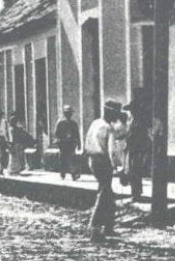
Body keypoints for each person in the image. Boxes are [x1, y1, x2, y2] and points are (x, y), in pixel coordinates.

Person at [84, 100, 122, 243]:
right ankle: (94, 226)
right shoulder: (109, 128)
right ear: (111, 113)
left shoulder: (95, 123)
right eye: (116, 114)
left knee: (108, 192)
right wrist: (118, 167)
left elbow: (86, 140)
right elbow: (112, 151)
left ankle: (108, 226)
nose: (117, 117)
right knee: (104, 192)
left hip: (92, 160)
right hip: (103, 161)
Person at [123, 88, 152, 202]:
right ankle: (136, 193)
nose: (131, 112)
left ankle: (136, 194)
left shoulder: (139, 123)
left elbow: (139, 138)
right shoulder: (134, 121)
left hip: (137, 150)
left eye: (133, 110)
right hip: (133, 150)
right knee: (134, 172)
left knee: (135, 171)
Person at [54, 105, 81, 180]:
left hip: (71, 143)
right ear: (64, 113)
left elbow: (77, 134)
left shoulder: (73, 123)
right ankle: (63, 174)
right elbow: (56, 133)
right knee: (63, 159)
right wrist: (59, 140)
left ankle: (74, 174)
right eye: (67, 113)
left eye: (70, 113)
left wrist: (79, 144)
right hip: (63, 144)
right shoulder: (60, 123)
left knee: (72, 159)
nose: (69, 114)